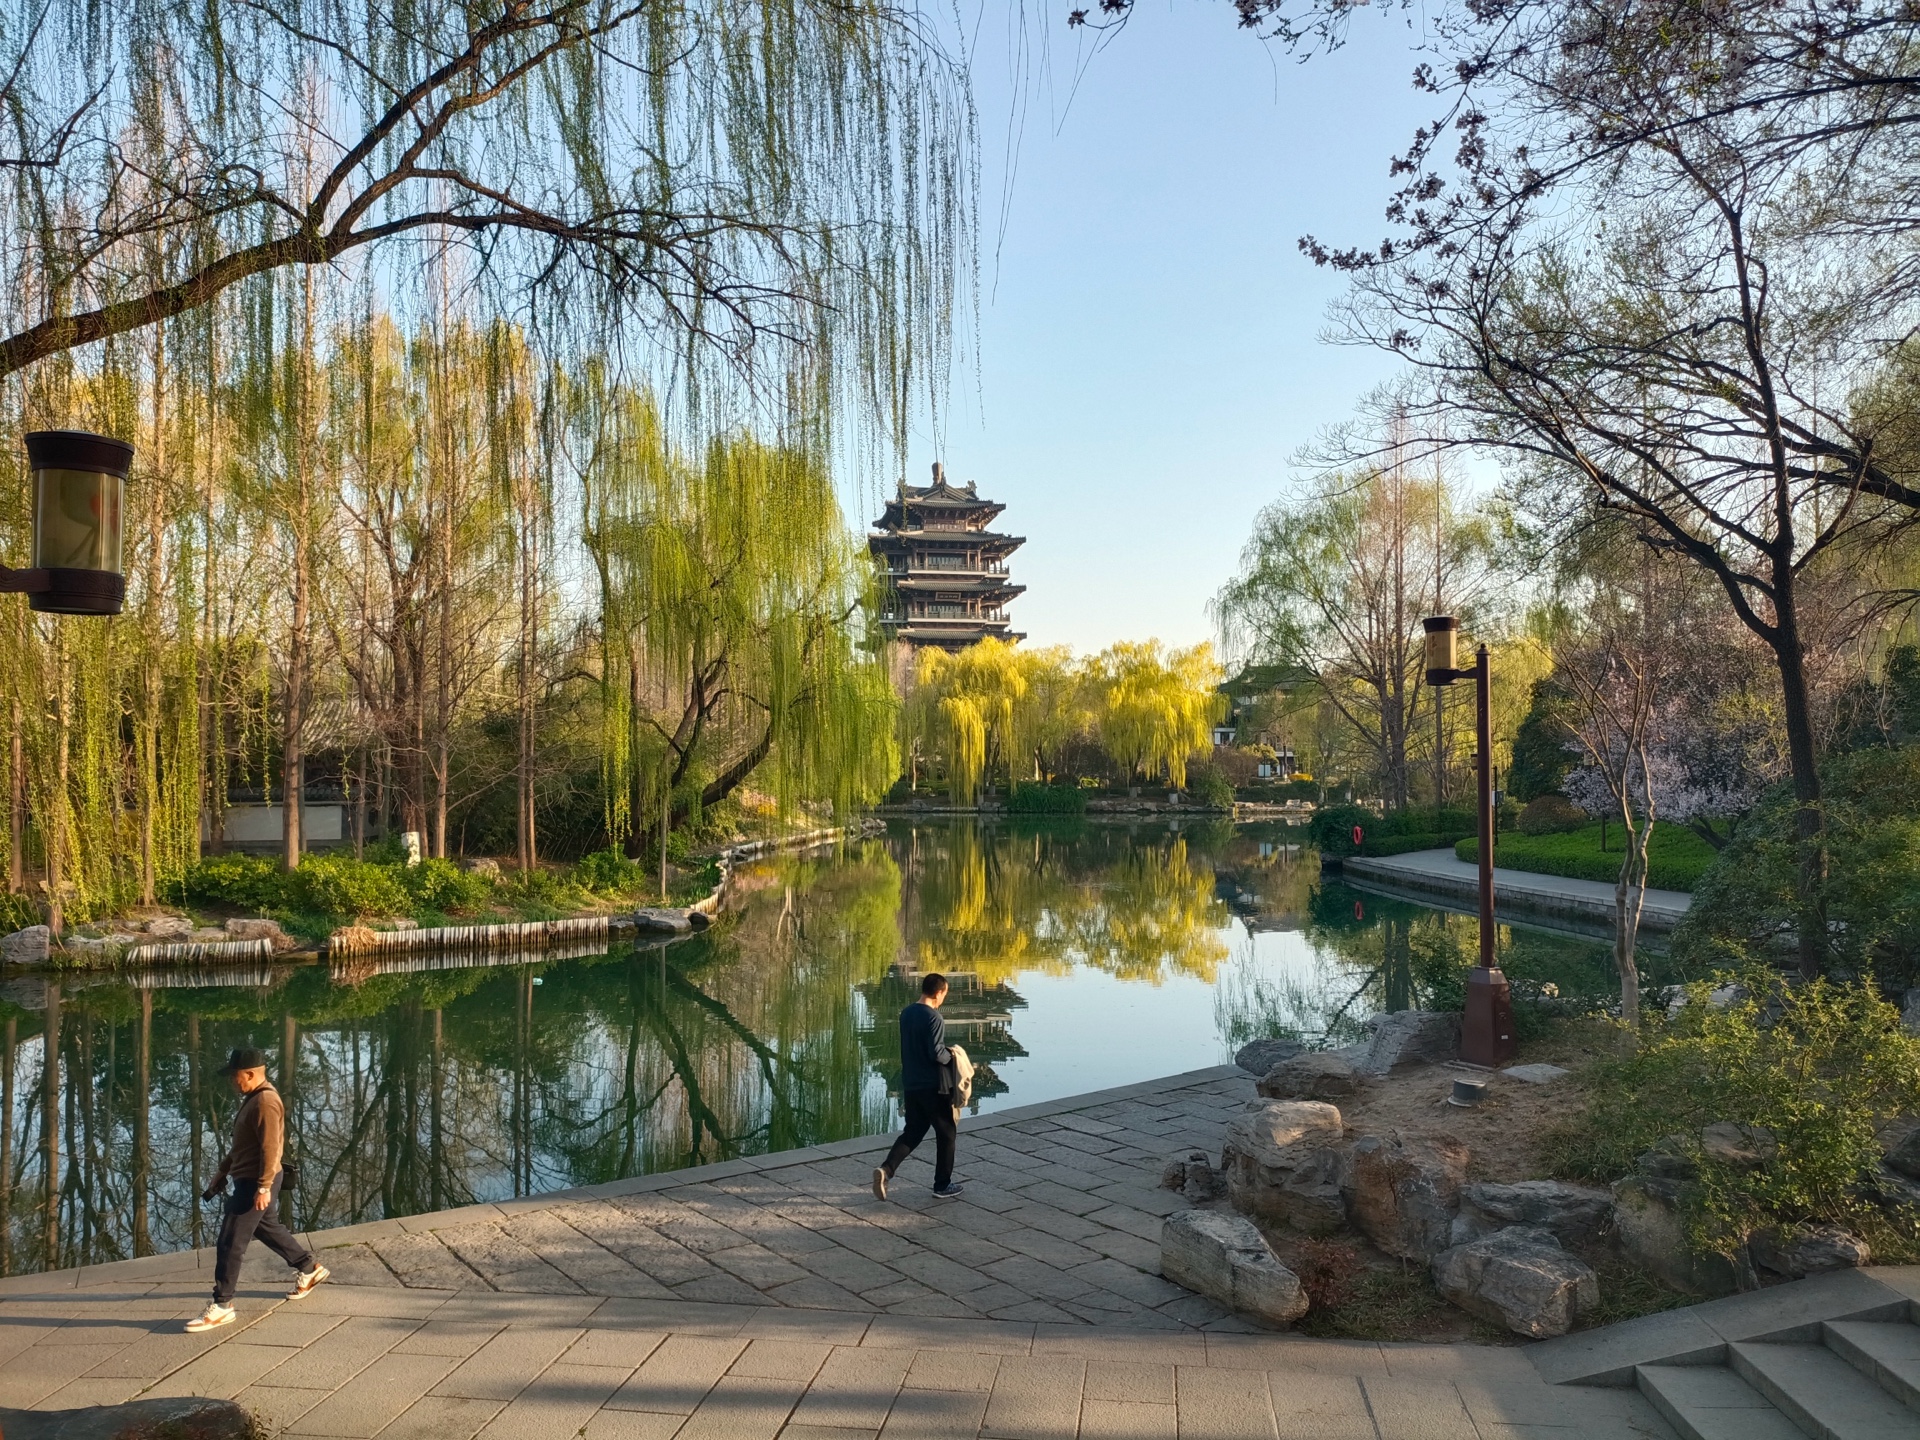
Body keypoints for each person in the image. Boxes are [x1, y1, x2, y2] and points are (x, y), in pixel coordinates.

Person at [186, 1047, 329, 1331]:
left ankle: (222, 1306)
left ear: (250, 1074)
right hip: (250, 1178)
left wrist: (263, 1187)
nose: (232, 1081)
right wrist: (223, 1171)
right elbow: (243, 1146)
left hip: (256, 1182)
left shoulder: (265, 1102)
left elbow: (270, 1148)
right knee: (266, 1227)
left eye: (235, 1076)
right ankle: (308, 1268)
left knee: (230, 1241)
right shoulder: (253, 1098)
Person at [872, 972, 964, 1200]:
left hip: (911, 1083)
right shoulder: (934, 1017)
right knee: (947, 1133)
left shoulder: (907, 1013)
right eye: (944, 994)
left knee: (913, 1131)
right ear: (939, 992)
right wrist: (954, 1057)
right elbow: (936, 1053)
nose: (943, 999)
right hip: (933, 1085)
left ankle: (886, 1170)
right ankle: (942, 1184)